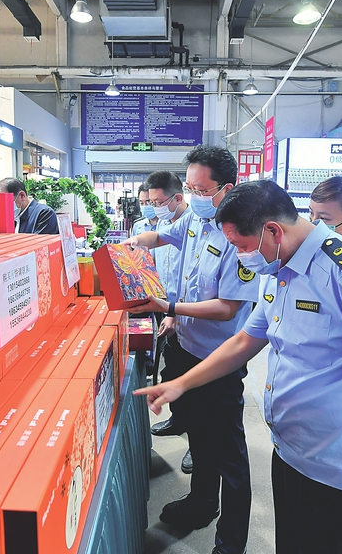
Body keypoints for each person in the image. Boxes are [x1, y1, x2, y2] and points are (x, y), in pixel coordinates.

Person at [136, 179, 342, 554]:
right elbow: (245, 340)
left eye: (241, 247)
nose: (241, 257)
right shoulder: (279, 269)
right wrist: (181, 384)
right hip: (295, 457)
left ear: (273, 230)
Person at [124, 145, 257, 554]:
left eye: (202, 189)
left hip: (218, 362)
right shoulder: (194, 223)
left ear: (225, 189)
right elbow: (160, 235)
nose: (195, 195)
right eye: (190, 186)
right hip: (185, 347)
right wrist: (133, 245)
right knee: (198, 438)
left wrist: (169, 307)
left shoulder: (239, 234)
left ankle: (231, 540)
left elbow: (228, 307)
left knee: (228, 456)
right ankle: (202, 504)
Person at [142, 170, 192, 472]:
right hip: (166, 307)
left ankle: (195, 446)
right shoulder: (163, 224)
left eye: (158, 201)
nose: (154, 207)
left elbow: (190, 279)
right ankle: (179, 419)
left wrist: (174, 311)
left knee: (199, 391)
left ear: (177, 198)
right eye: (150, 201)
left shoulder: (192, 226)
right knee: (172, 367)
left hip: (187, 311)